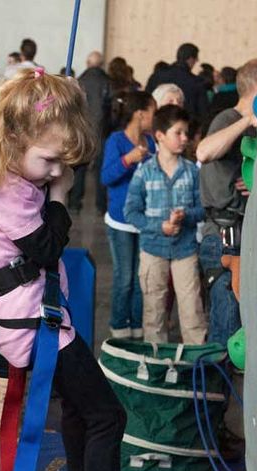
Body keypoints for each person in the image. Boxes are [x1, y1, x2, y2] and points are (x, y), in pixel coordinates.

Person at [0, 67, 146, 471]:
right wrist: (60, 194)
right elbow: (45, 246)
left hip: (35, 315)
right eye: (47, 160)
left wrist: (49, 178)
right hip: (34, 323)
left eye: (59, 164)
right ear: (13, 139)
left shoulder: (8, 174)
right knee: (108, 414)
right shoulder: (9, 190)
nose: (52, 171)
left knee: (84, 407)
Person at [196, 58, 257, 345]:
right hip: (224, 238)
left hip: (244, 237)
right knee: (225, 323)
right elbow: (203, 152)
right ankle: (216, 387)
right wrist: (246, 120)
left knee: (238, 322)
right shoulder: (228, 120)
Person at [123, 105, 206, 343]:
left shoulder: (191, 172)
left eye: (186, 133)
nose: (185, 138)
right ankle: (156, 366)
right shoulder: (145, 172)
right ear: (160, 136)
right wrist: (160, 226)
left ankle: (194, 367)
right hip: (152, 250)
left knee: (192, 312)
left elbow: (203, 209)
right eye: (178, 133)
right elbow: (131, 212)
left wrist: (186, 216)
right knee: (153, 313)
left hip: (185, 251)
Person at [101, 91, 156, 339]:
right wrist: (128, 159)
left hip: (144, 220)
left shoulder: (153, 142)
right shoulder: (116, 140)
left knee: (139, 278)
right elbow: (106, 177)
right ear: (140, 114)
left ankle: (137, 326)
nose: (155, 117)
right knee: (124, 278)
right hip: (121, 221)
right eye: (153, 112)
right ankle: (119, 327)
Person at [71, 50, 111, 212]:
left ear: (87, 64)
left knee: (78, 169)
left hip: (82, 132)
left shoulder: (78, 82)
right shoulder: (108, 82)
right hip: (102, 132)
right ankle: (101, 206)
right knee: (101, 169)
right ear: (101, 65)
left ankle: (74, 203)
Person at [144, 43, 210, 123]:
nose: (197, 61)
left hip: (158, 125)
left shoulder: (156, 75)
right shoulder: (196, 82)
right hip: (187, 127)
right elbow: (203, 113)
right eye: (196, 58)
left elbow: (146, 101)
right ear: (190, 59)